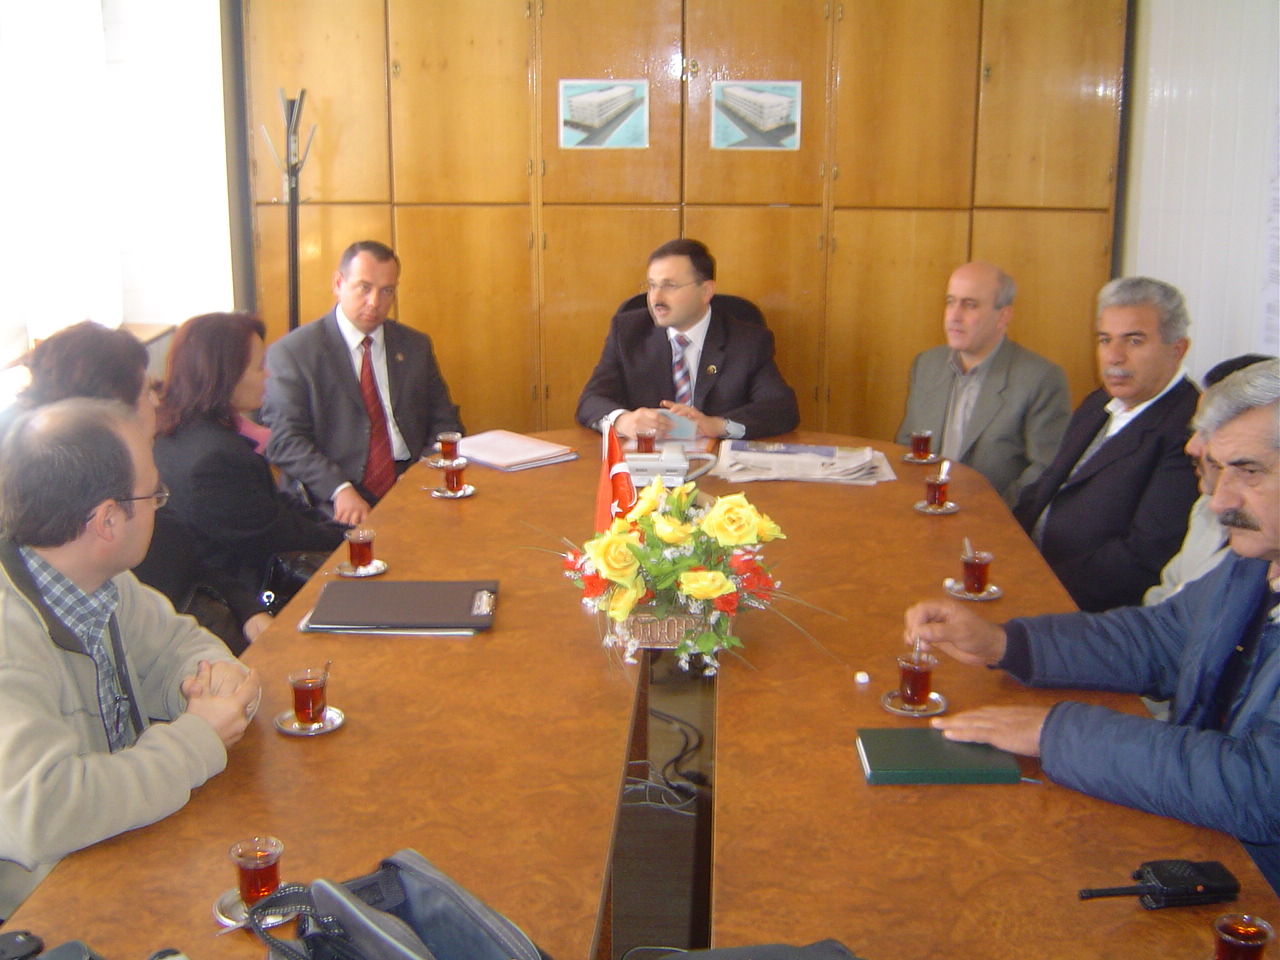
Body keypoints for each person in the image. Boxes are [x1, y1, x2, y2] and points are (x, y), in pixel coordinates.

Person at [904, 359, 1280, 894]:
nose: (1220, 501)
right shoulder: (1256, 559)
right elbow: (1159, 638)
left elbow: (1259, 789)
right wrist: (1006, 643)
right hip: (1202, 837)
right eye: (1219, 470)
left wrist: (1054, 733)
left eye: (1250, 472)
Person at [0, 399, 262, 917]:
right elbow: (42, 812)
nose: (161, 506)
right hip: (56, 905)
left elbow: (184, 646)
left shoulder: (103, 583)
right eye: (154, 495)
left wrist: (213, 684)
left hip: (134, 842)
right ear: (107, 520)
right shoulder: (9, 638)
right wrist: (197, 738)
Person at [1, 321, 266, 650]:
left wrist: (247, 607)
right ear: (111, 410)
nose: (156, 402)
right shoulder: (95, 531)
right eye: (145, 392)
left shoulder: (136, 472)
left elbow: (196, 556)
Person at [1012, 277, 1200, 611]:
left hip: (1085, 608)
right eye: (1104, 340)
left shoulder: (1187, 430)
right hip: (1030, 574)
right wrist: (1001, 548)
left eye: (1134, 341)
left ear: (1177, 349)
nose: (1114, 357)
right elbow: (1044, 490)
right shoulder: (1098, 403)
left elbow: (1143, 556)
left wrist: (1033, 586)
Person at [154, 313, 346, 623]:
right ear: (225, 375)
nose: (268, 375)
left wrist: (336, 529)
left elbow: (273, 506)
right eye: (259, 366)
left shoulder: (172, 431)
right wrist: (345, 539)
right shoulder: (215, 458)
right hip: (243, 602)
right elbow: (276, 532)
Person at [261, 240, 463, 525]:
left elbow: (446, 422)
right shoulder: (294, 353)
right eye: (364, 288)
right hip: (334, 489)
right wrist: (339, 489)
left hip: (410, 478)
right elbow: (284, 439)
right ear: (338, 283)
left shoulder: (414, 345)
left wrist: (424, 471)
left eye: (387, 291)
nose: (375, 303)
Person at [575, 238, 800, 441]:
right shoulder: (628, 332)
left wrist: (718, 425)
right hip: (646, 462)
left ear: (706, 291)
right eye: (652, 286)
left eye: (670, 286)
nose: (656, 298)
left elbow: (781, 409)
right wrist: (623, 421)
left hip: (717, 462)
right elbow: (590, 400)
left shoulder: (747, 341)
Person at [894, 263, 1070, 505]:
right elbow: (907, 446)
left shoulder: (1040, 379)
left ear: (1003, 316)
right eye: (950, 302)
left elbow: (1045, 471)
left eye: (970, 305)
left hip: (996, 515)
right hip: (923, 508)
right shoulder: (927, 365)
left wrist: (989, 513)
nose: (954, 316)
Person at [1145, 354, 1274, 605]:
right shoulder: (1205, 506)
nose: (1192, 447)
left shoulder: (1263, 538)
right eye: (1196, 429)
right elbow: (1165, 601)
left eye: (1209, 432)